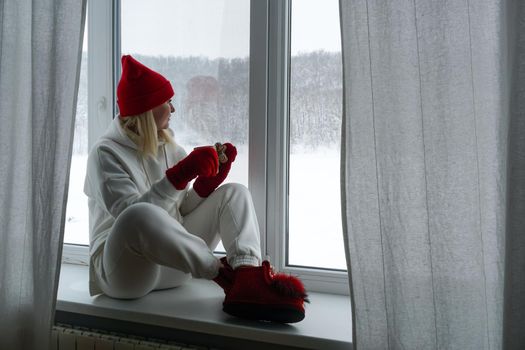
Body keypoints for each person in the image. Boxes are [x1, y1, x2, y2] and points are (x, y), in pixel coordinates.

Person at [84, 55, 308, 323]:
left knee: (234, 192)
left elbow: (178, 211)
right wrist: (180, 175)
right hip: (126, 273)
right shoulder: (105, 154)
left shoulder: (171, 148)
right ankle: (225, 276)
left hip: (173, 267)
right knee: (138, 215)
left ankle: (247, 279)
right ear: (147, 109)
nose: (173, 109)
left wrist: (204, 186)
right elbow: (135, 221)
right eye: (167, 102)